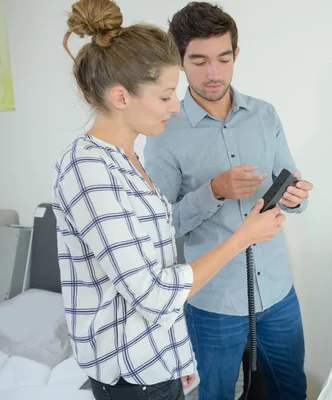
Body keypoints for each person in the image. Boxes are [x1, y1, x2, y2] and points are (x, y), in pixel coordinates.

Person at [53, 1, 285, 399]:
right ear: (122, 97)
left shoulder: (127, 159)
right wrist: (242, 236)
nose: (176, 106)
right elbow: (155, 294)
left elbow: (156, 259)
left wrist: (179, 361)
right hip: (132, 379)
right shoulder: (88, 170)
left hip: (157, 366)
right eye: (164, 97)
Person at [144, 2, 313, 399]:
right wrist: (213, 191)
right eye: (199, 61)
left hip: (276, 292)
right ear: (180, 62)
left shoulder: (264, 115)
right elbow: (161, 226)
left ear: (236, 54)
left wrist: (295, 197)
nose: (213, 73)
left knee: (291, 391)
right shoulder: (163, 132)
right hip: (212, 302)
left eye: (223, 58)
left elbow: (292, 191)